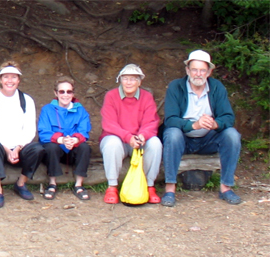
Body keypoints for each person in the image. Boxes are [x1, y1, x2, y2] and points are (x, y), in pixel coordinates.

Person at [161, 50, 242, 207]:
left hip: (207, 139)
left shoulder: (217, 87)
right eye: (194, 69)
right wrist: (193, 125)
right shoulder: (176, 87)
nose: (198, 74)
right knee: (172, 133)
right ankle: (170, 188)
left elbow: (228, 117)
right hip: (183, 139)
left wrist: (215, 124)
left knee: (232, 135)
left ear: (209, 72)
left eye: (202, 70)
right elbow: (170, 119)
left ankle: (225, 187)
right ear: (187, 70)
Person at [0, 61, 44, 207]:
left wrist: (17, 148)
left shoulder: (26, 100)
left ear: (19, 80)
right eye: (6, 77)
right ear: (0, 79)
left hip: (19, 148)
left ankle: (21, 183)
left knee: (38, 149)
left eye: (14, 77)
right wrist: (6, 149)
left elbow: (29, 129)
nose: (10, 81)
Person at [99, 64, 162, 204]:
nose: (128, 82)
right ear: (120, 80)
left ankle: (149, 185)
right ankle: (112, 186)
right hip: (118, 138)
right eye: (125, 78)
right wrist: (128, 137)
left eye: (133, 79)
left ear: (139, 82)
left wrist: (142, 136)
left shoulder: (147, 97)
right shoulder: (111, 96)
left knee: (155, 143)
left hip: (139, 139)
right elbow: (109, 124)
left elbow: (151, 122)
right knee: (111, 143)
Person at [37, 76, 92, 200]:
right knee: (51, 147)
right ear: (56, 93)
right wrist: (61, 140)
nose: (65, 95)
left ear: (73, 93)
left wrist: (75, 140)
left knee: (84, 147)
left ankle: (79, 184)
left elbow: (84, 130)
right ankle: (52, 183)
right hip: (56, 149)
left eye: (69, 91)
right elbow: (43, 132)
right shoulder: (47, 109)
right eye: (62, 91)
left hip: (73, 148)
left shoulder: (80, 110)